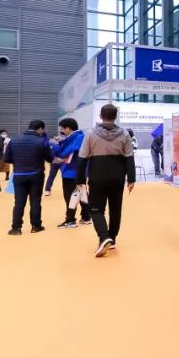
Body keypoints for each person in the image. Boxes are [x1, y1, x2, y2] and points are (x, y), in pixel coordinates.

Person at [76, 103, 136, 258]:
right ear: (115, 116)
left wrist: (80, 179)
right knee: (115, 209)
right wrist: (131, 178)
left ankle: (104, 237)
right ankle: (112, 238)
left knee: (96, 209)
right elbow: (129, 157)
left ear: (101, 116)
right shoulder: (124, 134)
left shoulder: (90, 133)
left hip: (97, 175)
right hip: (118, 176)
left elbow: (82, 158)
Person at [3, 120, 53, 235]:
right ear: (40, 129)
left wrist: (19, 162)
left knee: (19, 202)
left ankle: (16, 228)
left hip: (19, 175)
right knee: (35, 201)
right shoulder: (42, 141)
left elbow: (6, 159)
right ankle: (36, 226)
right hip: (36, 174)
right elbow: (50, 158)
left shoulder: (13, 140)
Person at [52, 118, 90, 228]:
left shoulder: (77, 138)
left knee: (70, 196)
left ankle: (70, 220)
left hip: (71, 171)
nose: (62, 131)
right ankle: (86, 217)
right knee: (82, 194)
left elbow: (65, 153)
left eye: (63, 128)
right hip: (78, 171)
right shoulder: (78, 137)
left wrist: (56, 145)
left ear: (68, 128)